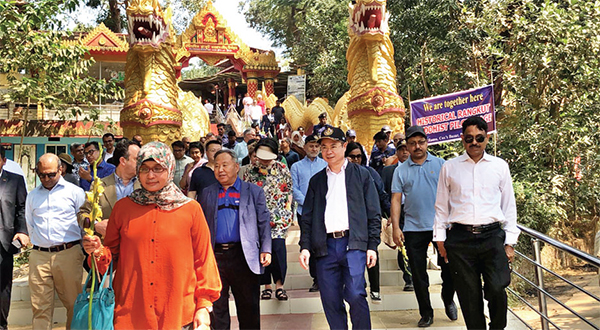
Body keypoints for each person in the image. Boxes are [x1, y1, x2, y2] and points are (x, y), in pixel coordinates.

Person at [82, 142, 222, 330]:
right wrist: (97, 251)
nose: (150, 175)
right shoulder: (123, 208)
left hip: (178, 314)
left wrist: (204, 306)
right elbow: (111, 256)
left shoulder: (190, 210)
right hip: (131, 314)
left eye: (158, 168)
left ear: (170, 168)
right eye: (144, 169)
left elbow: (204, 260)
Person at [434, 116, 519, 330]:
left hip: (492, 237)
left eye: (479, 138)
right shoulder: (450, 167)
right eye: (469, 138)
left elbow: (509, 205)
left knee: (498, 288)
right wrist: (440, 240)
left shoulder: (499, 166)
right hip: (460, 240)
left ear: (487, 138)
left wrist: (510, 241)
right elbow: (441, 207)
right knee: (469, 297)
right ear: (462, 139)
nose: (474, 143)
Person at [298, 127, 381, 330]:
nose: (328, 151)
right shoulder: (317, 180)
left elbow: (373, 213)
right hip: (325, 246)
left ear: (344, 146)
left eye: (334, 146)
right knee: (330, 299)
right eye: (324, 147)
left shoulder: (361, 175)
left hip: (353, 243)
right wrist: (305, 247)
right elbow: (307, 217)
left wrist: (372, 245)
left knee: (355, 293)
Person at [390, 126, 456, 328]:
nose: (417, 146)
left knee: (450, 270)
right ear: (406, 146)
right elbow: (395, 199)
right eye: (412, 143)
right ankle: (426, 313)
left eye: (421, 142)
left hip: (442, 227)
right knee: (418, 275)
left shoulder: (441, 164)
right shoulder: (400, 170)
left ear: (427, 143)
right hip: (413, 228)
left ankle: (447, 298)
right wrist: (395, 228)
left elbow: (453, 194)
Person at [198, 149, 272, 330]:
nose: (220, 170)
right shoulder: (206, 193)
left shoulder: (253, 191)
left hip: (244, 256)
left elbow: (264, 222)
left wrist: (266, 249)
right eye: (216, 166)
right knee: (217, 309)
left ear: (236, 167)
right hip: (215, 257)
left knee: (249, 308)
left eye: (224, 165)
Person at [26, 153, 85, 329]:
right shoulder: (33, 195)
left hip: (68, 254)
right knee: (40, 308)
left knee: (73, 305)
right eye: (41, 175)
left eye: (51, 174)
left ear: (61, 169)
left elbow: (84, 223)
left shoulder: (75, 192)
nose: (46, 179)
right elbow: (30, 225)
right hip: (39, 256)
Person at [242, 139, 293, 302]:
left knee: (278, 250)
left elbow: (289, 191)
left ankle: (279, 286)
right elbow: (246, 194)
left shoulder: (282, 168)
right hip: (257, 219)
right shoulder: (250, 171)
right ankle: (266, 287)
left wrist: (287, 214)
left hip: (278, 218)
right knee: (262, 251)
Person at [345, 142, 390, 302]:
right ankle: (358, 288)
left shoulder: (370, 172)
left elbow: (382, 195)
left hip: (370, 220)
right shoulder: (340, 176)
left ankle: (375, 289)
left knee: (372, 252)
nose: (356, 159)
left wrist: (390, 213)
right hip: (350, 223)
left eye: (359, 156)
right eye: (352, 156)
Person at [78, 138, 141, 238]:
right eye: (137, 159)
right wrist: (96, 225)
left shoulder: (144, 185)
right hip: (107, 248)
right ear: (123, 161)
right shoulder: (99, 185)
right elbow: (83, 214)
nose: (141, 163)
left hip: (137, 247)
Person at [291, 134, 327, 292]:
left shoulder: (326, 164)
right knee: (309, 243)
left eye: (316, 146)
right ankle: (316, 279)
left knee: (323, 242)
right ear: (304, 147)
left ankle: (325, 276)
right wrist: (309, 203)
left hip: (324, 211)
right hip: (304, 211)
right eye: (311, 146)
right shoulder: (296, 167)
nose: (314, 149)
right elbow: (294, 188)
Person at [0, 147, 28, 330]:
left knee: (2, 288)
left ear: (3, 160)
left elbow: (22, 208)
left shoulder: (14, 180)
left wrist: (23, 231)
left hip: (3, 242)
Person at [380, 140, 414, 292]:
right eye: (401, 150)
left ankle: (417, 274)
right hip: (398, 212)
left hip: (416, 212)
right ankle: (409, 278)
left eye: (407, 149)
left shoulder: (419, 168)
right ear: (397, 152)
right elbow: (384, 193)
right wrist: (390, 214)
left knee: (415, 245)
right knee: (403, 244)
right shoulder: (388, 171)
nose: (405, 152)